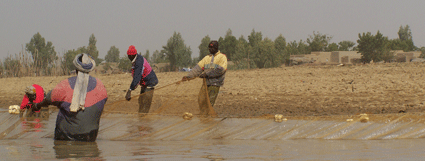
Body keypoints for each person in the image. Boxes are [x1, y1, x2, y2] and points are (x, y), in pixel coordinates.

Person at [35, 53, 107, 142]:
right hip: (90, 137)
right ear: (90, 68)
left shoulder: (65, 85)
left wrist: (38, 105)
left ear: (76, 68)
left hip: (66, 138)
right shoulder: (100, 87)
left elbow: (49, 99)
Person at [182, 40, 227, 114]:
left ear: (216, 48)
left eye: (212, 47)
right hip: (206, 83)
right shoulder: (206, 58)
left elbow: (221, 70)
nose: (210, 49)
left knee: (209, 101)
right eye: (209, 47)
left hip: (215, 84)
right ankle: (204, 115)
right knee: (201, 99)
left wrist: (207, 74)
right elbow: (197, 69)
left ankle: (206, 115)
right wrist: (188, 77)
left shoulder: (222, 57)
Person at [125, 45, 158, 113]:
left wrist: (130, 90)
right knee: (141, 100)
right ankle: (141, 118)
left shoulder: (139, 62)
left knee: (145, 100)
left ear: (131, 56)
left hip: (150, 82)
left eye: (128, 56)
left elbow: (137, 77)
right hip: (144, 83)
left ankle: (144, 118)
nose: (128, 57)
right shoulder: (136, 60)